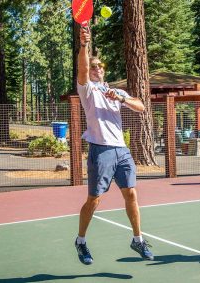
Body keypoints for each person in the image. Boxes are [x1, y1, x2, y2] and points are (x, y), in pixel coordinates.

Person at [74, 27, 154, 265]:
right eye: (93, 65)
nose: (97, 68)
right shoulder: (87, 89)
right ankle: (80, 241)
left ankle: (138, 239)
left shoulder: (115, 91)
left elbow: (140, 106)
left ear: (105, 70)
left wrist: (121, 98)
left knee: (131, 194)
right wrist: (84, 45)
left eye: (100, 65)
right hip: (101, 150)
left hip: (122, 150)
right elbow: (82, 69)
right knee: (94, 200)